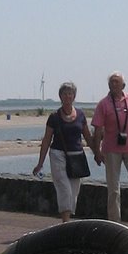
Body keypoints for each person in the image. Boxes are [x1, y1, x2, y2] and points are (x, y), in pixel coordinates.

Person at [91, 71, 128, 231]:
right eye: (111, 82)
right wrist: (97, 151)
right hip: (111, 150)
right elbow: (98, 129)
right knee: (113, 187)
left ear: (123, 85)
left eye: (116, 82)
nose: (113, 84)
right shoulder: (103, 104)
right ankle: (114, 222)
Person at [32, 82, 97, 221]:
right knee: (64, 189)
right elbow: (46, 140)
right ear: (60, 96)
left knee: (74, 191)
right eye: (65, 94)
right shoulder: (54, 117)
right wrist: (40, 163)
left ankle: (67, 220)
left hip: (77, 157)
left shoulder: (81, 115)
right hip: (58, 155)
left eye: (70, 93)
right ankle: (66, 222)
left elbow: (87, 137)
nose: (67, 96)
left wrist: (97, 153)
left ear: (74, 96)